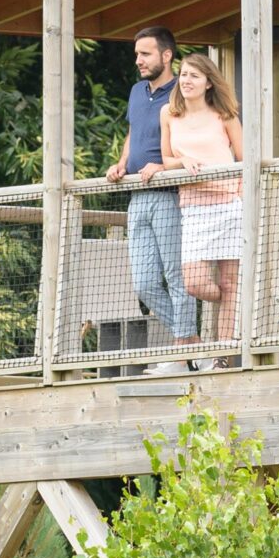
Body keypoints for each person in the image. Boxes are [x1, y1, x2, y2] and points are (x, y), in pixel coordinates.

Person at [106, 26, 200, 373]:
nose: (139, 61)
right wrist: (121, 163)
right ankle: (193, 345)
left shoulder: (182, 92)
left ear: (166, 55)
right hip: (137, 195)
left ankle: (182, 354)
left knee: (177, 278)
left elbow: (193, 141)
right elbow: (133, 132)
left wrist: (163, 165)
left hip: (170, 195)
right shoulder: (136, 91)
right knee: (144, 284)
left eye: (145, 54)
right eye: (137, 55)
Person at [162, 52, 248, 359]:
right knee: (195, 284)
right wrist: (182, 161)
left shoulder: (224, 115)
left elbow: (244, 158)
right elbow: (166, 160)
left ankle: (222, 356)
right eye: (183, 74)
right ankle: (233, 301)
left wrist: (239, 195)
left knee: (230, 281)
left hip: (228, 206)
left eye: (194, 76)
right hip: (193, 208)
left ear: (208, 83)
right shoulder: (168, 113)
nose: (186, 80)